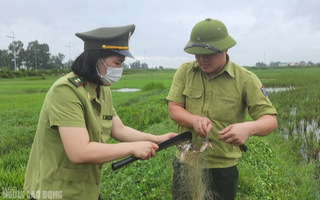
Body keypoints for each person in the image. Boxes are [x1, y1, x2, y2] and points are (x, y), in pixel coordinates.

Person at [23, 24, 177, 200]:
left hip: (86, 189)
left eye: (122, 64)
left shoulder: (102, 89)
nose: (119, 69)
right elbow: (79, 152)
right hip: (56, 192)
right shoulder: (66, 91)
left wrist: (158, 139)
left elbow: (118, 129)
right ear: (96, 59)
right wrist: (133, 148)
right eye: (117, 63)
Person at [167, 18, 278, 200]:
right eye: (197, 54)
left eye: (208, 54)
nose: (201, 59)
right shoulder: (185, 72)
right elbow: (174, 109)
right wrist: (194, 120)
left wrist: (248, 128)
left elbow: (270, 120)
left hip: (222, 167)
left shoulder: (245, 79)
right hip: (187, 160)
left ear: (225, 49)